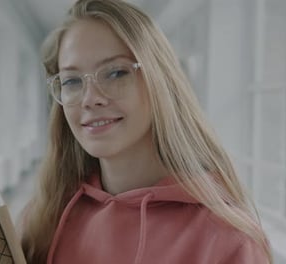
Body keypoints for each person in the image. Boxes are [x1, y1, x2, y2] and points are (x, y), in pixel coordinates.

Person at [20, 0, 272, 263]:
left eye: (116, 73)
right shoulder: (46, 217)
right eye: (72, 81)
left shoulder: (228, 243)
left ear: (159, 81)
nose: (90, 99)